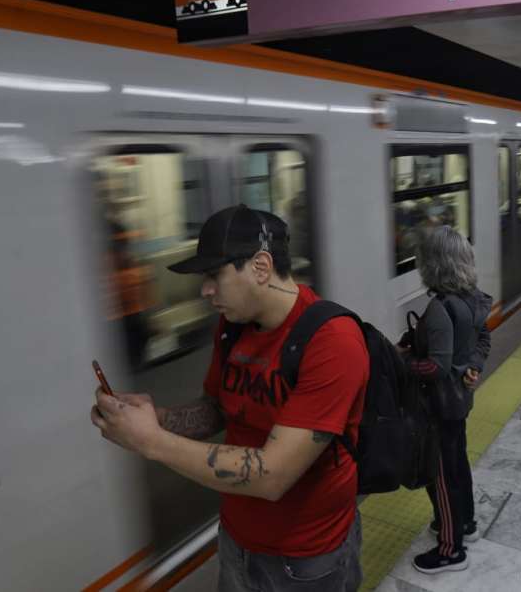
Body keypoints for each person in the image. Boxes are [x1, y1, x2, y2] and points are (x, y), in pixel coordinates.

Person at [90, 205, 368, 592]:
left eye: (214, 275)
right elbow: (219, 408)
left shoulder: (333, 342)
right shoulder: (233, 327)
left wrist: (151, 442)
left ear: (260, 266)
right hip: (237, 540)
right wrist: (157, 418)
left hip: (306, 559)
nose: (205, 290)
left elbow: (273, 475)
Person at [407, 225, 491, 573]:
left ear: (433, 263)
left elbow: (435, 367)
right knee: (457, 465)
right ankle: (465, 522)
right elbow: (483, 340)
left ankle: (450, 547)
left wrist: (402, 365)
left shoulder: (440, 307)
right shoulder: (473, 298)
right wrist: (473, 366)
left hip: (439, 405)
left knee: (439, 473)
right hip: (460, 401)